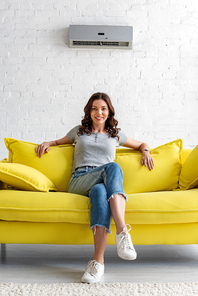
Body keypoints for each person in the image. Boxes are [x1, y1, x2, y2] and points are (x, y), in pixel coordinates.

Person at [36, 92, 154, 284]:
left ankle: (97, 263)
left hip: (101, 183)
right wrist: (48, 143)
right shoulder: (79, 131)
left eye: (103, 108)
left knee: (100, 192)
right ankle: (122, 231)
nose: (98, 112)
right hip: (80, 180)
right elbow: (58, 142)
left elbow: (141, 144)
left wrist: (146, 152)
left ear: (109, 112)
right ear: (89, 111)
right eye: (94, 108)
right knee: (113, 167)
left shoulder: (115, 135)